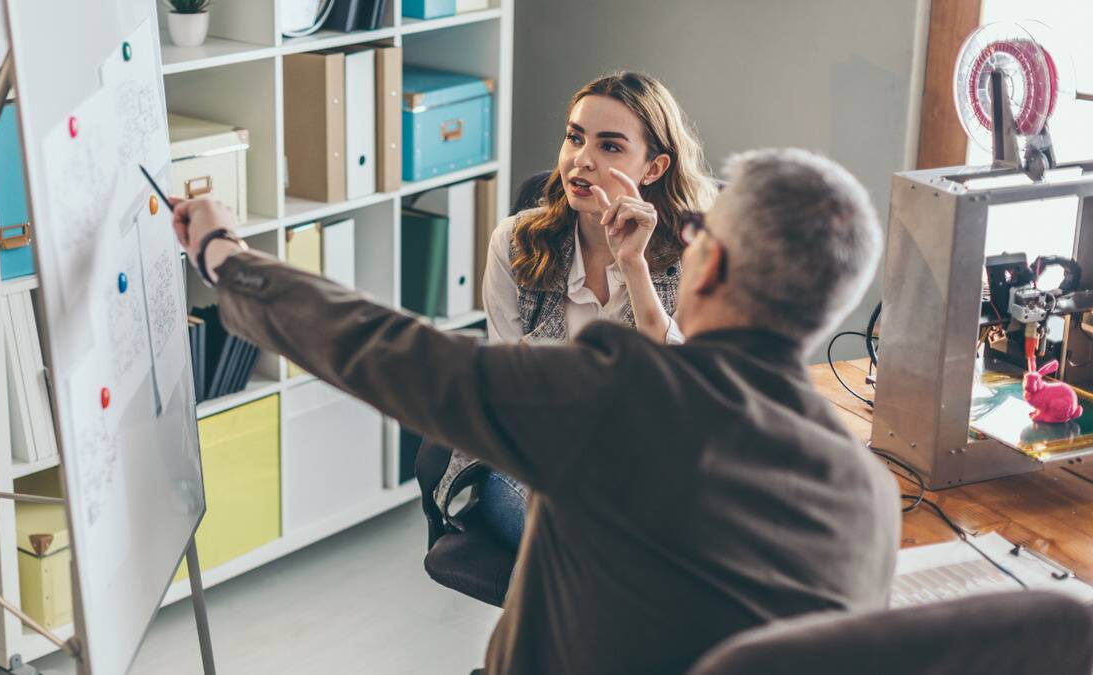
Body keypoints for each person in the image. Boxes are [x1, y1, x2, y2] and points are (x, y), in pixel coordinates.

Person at [170, 147, 901, 675]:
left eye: (699, 233)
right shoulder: (866, 492)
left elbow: (389, 351)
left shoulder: (623, 391)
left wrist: (226, 256)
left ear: (708, 263)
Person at [468, 71, 718, 551]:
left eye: (610, 146)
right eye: (575, 138)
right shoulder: (517, 243)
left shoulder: (696, 254)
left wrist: (635, 268)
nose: (581, 161)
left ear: (653, 167)